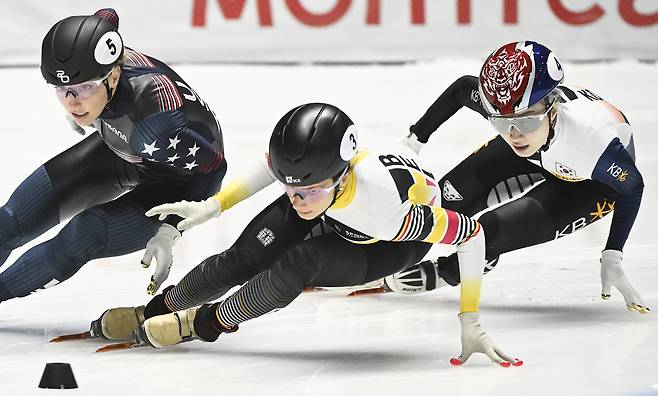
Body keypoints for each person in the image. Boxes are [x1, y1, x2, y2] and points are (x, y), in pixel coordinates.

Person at [93, 103, 522, 367]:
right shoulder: (311, 173)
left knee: (300, 261)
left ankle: (202, 324)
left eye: (308, 190)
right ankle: (156, 308)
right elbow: (270, 170)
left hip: (385, 246)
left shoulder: (386, 210)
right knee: (243, 257)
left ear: (341, 175)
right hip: (339, 205)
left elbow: (473, 233)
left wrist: (470, 318)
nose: (297, 200)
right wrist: (211, 208)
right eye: (291, 188)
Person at [385, 41, 649, 314]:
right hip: (543, 146)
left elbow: (632, 187)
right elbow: (463, 89)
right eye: (500, 121)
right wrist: (413, 140)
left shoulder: (593, 144)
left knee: (488, 233)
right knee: (439, 204)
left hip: (590, 185)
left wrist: (613, 255)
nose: (513, 134)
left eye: (525, 120)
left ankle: (450, 271)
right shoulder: (516, 119)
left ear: (552, 104)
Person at [0, 8, 226, 301]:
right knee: (10, 220)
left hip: (175, 178)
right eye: (61, 89)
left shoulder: (153, 126)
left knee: (83, 234)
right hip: (125, 149)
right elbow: (107, 15)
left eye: (84, 88)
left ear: (114, 74)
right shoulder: (99, 51)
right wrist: (85, 100)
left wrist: (171, 229)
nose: (72, 101)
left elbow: (215, 168)